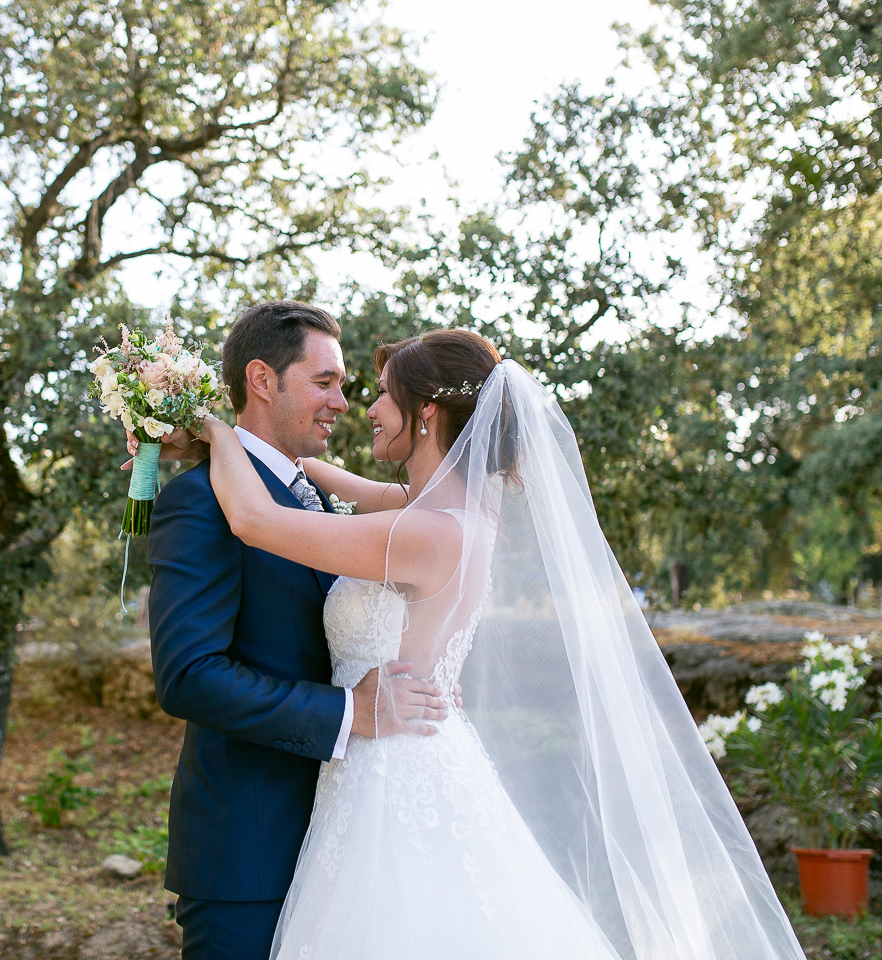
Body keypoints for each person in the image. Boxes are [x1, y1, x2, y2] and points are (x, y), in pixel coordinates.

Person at [188, 328, 806, 960]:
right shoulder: (441, 512)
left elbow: (255, 520)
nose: (364, 409)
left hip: (391, 769)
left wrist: (212, 429)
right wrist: (276, 456)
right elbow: (329, 481)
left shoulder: (423, 534)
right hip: (405, 745)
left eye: (379, 395)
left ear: (426, 411)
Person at [145, 301, 452, 960]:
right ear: (263, 380)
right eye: (326, 382)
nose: (344, 402)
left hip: (351, 839)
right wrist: (350, 711)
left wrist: (215, 433)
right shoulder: (200, 501)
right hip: (249, 859)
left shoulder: (312, 497)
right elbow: (188, 676)